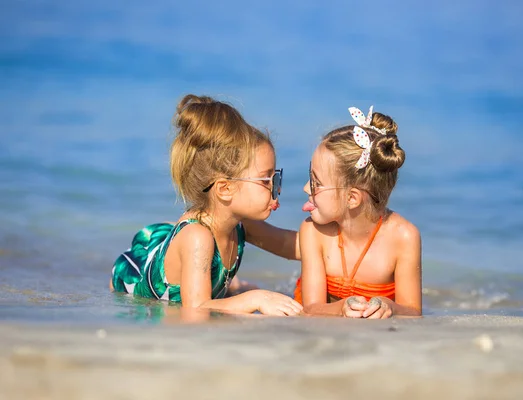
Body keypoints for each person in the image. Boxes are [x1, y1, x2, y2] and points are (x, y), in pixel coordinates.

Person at [111, 94, 302, 316]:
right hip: (134, 269)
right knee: (229, 289)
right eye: (265, 180)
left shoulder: (241, 224)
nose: (275, 188)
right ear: (224, 189)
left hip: (182, 246)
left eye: (276, 177)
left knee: (217, 282)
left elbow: (291, 246)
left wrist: (341, 241)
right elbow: (196, 308)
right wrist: (256, 299)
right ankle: (229, 285)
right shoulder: (198, 238)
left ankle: (228, 284)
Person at [294, 105, 422, 318]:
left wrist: (389, 306)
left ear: (352, 198)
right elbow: (312, 309)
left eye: (316, 182)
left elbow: (413, 311)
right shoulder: (312, 231)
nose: (306, 188)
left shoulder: (404, 237)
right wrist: (341, 308)